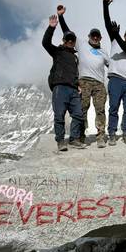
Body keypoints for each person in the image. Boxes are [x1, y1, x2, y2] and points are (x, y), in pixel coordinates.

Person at [57, 5, 110, 148]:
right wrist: (61, 16)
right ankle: (80, 136)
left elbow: (112, 65)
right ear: (89, 37)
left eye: (97, 36)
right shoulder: (81, 43)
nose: (94, 37)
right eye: (92, 35)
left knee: (100, 109)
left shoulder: (104, 52)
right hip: (84, 81)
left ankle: (100, 136)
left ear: (100, 38)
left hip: (99, 83)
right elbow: (67, 31)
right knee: (82, 109)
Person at [42, 14, 85, 151]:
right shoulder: (57, 51)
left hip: (73, 89)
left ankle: (74, 139)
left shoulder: (75, 57)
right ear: (64, 40)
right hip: (59, 88)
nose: (70, 41)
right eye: (68, 39)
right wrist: (51, 27)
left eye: (72, 40)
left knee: (78, 114)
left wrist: (78, 84)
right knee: (59, 115)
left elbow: (75, 73)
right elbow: (45, 43)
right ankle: (60, 141)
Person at [103, 0, 126, 146]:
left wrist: (117, 35)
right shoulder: (115, 40)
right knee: (114, 107)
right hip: (115, 78)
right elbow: (107, 23)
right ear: (125, 34)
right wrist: (105, 5)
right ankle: (111, 133)